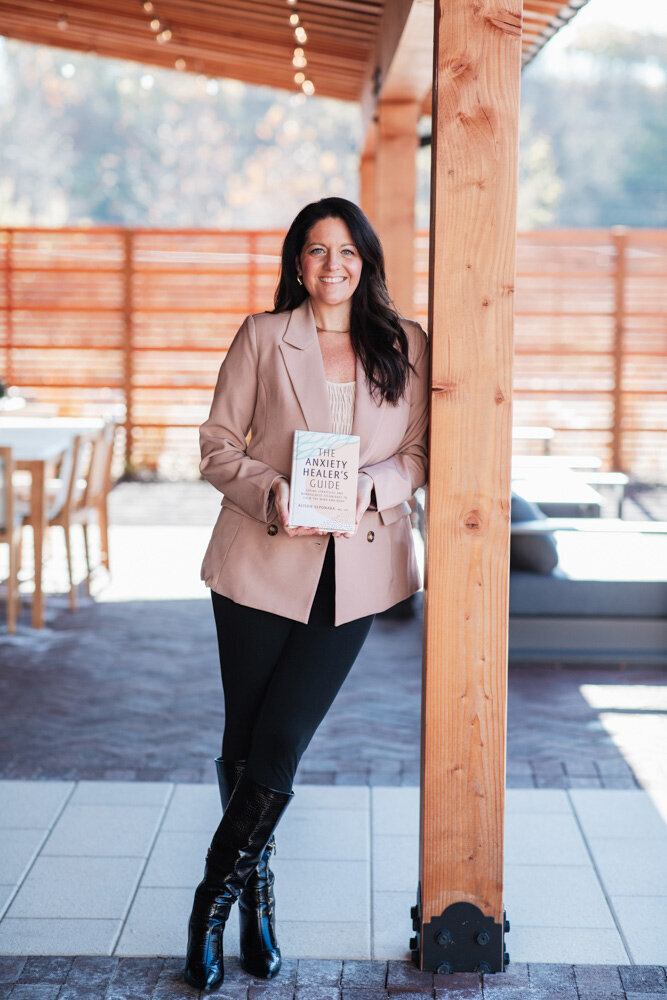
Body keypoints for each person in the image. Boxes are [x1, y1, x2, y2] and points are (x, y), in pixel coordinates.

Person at [184, 197, 430, 992]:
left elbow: (421, 452)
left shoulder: (404, 344)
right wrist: (271, 490)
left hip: (352, 574)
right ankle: (257, 902)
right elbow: (217, 445)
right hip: (260, 560)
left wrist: (370, 485)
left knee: (281, 739)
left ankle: (208, 906)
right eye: (318, 251)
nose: (334, 265)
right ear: (299, 263)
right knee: (246, 737)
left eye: (347, 251)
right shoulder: (262, 336)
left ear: (366, 261)